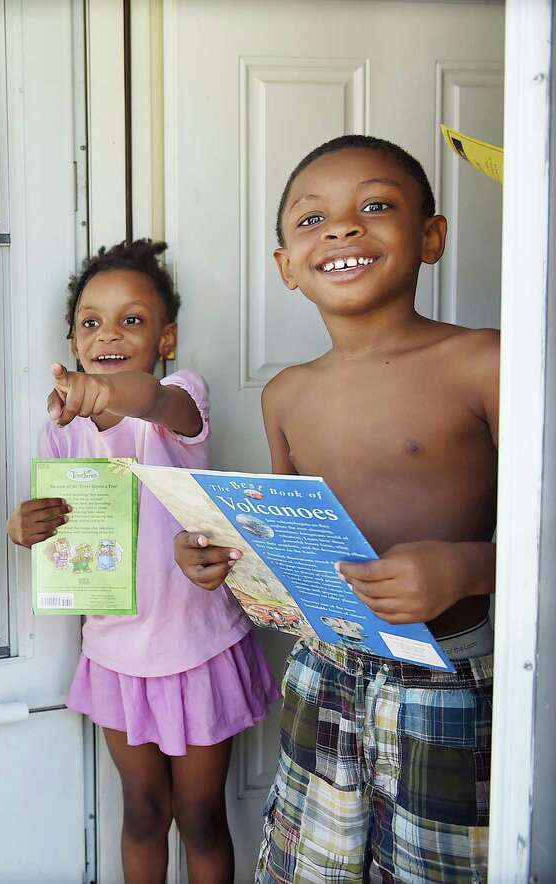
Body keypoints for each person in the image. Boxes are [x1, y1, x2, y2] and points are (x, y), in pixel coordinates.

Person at [174, 135, 497, 882]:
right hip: (326, 675)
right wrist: (225, 557)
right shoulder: (287, 394)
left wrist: (471, 566)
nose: (344, 229)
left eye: (376, 206)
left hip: (451, 684)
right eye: (312, 220)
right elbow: (296, 550)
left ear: (432, 236)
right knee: (310, 865)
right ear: (287, 266)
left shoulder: (486, 362)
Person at [7, 240, 280, 883]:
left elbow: (150, 401)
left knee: (202, 815)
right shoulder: (60, 428)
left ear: (167, 338)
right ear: (72, 340)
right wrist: (26, 528)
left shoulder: (180, 398)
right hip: (116, 655)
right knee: (141, 814)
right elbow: (68, 537)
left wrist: (103, 390)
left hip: (199, 649)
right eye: (91, 321)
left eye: (132, 320)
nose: (109, 333)